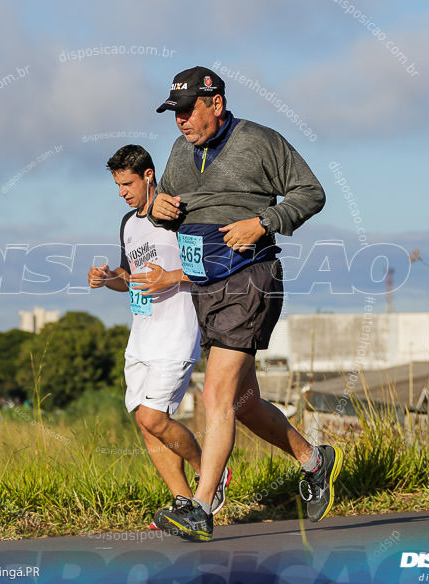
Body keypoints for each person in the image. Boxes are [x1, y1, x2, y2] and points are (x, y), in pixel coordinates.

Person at [149, 66, 344, 542]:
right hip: (205, 284)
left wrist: (263, 221)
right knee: (245, 401)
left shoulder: (260, 141)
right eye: (174, 113)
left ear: (215, 103)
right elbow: (173, 210)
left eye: (187, 110)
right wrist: (156, 209)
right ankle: (314, 461)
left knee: (216, 395)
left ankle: (200, 505)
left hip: (249, 278)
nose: (180, 121)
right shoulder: (180, 151)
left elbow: (310, 192)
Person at [88, 144, 231, 522]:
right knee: (146, 424)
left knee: (154, 418)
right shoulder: (128, 223)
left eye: (127, 183)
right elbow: (129, 277)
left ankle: (211, 475)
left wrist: (171, 277)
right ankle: (186, 503)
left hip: (177, 333)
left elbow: (212, 266)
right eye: (118, 185)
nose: (122, 192)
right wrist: (107, 279)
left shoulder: (176, 214)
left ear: (148, 175)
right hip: (141, 336)